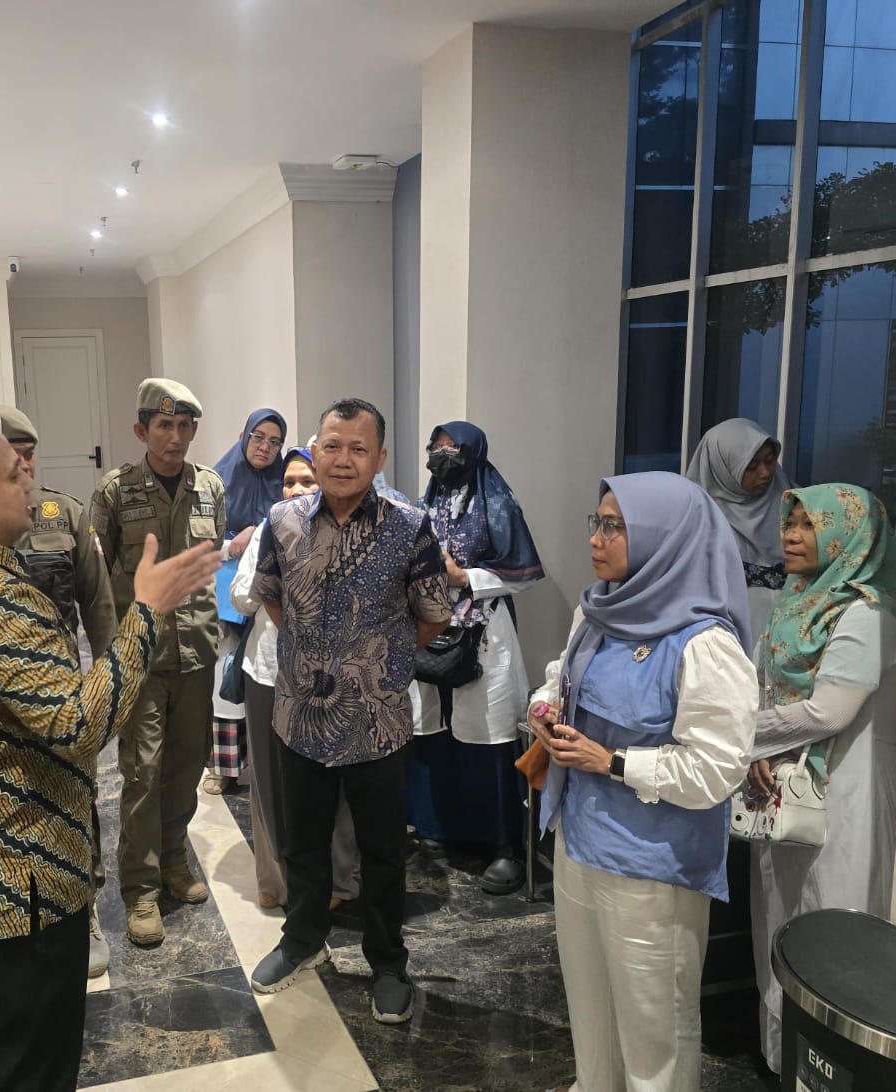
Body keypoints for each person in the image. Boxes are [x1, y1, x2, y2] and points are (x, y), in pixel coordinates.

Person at [0, 411, 218, 1092]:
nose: (31, 481)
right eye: (14, 473)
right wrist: (146, 613)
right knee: (27, 1066)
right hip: (18, 885)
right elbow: (79, 724)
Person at [528, 472, 756, 1092]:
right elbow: (563, 676)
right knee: (590, 1008)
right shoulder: (598, 609)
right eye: (597, 522)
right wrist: (544, 708)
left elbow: (717, 768)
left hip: (652, 866)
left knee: (656, 1029)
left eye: (616, 527)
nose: (596, 539)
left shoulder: (704, 644)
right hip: (580, 840)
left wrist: (613, 761)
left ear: (666, 540)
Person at [248, 397, 453, 1025]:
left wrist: (377, 661)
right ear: (315, 451)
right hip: (298, 717)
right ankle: (302, 940)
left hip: (378, 720)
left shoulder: (409, 527)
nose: (343, 460)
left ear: (379, 457)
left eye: (358, 449)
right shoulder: (282, 519)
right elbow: (272, 599)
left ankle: (389, 963)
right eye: (332, 446)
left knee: (384, 852)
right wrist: (313, 651)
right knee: (302, 842)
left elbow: (432, 615)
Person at [747, 484, 896, 1075]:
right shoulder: (794, 606)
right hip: (786, 785)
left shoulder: (866, 616)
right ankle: (783, 1061)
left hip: (847, 791)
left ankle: (832, 1071)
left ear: (849, 537)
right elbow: (764, 685)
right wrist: (760, 745)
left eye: (809, 525)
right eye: (788, 523)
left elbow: (829, 713)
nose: (790, 535)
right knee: (780, 921)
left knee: (835, 926)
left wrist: (747, 736)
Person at [0, 403, 117, 978]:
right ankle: (8, 909)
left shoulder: (64, 514)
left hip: (57, 689)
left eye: (29, 454)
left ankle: (83, 907)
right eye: (11, 456)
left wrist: (110, 684)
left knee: (73, 797)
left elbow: (99, 605)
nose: (24, 466)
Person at [90, 378, 225, 948]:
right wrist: (109, 658)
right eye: (164, 425)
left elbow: (211, 561)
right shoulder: (115, 491)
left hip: (196, 652)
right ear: (141, 430)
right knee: (143, 772)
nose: (175, 436)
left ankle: (173, 857)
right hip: (140, 657)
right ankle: (140, 889)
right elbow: (96, 580)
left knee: (187, 765)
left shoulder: (210, 487)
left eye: (185, 426)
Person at [407, 421, 544, 894]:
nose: (442, 455)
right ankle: (438, 828)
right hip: (431, 629)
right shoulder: (425, 505)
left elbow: (525, 572)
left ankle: (503, 846)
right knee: (431, 731)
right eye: (436, 447)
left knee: (488, 737)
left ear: (472, 452)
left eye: (452, 447)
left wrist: (465, 578)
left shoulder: (497, 503)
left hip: (484, 633)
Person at [230, 445, 360, 911]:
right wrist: (274, 588)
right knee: (269, 779)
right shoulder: (269, 529)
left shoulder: (344, 532)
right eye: (288, 482)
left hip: (329, 676)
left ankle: (339, 879)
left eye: (307, 480)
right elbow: (240, 594)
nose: (297, 490)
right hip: (268, 671)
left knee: (332, 778)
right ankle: (277, 878)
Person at [207, 407, 288, 796]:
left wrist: (257, 529)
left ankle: (264, 766)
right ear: (244, 437)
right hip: (226, 591)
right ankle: (224, 767)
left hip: (270, 600)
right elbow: (200, 540)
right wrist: (231, 544)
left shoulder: (285, 481)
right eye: (259, 438)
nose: (265, 447)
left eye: (274, 442)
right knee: (224, 679)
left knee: (263, 681)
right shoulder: (216, 481)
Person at [686, 417, 794, 642]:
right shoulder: (696, 522)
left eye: (770, 461)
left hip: (791, 642)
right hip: (724, 642)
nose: (765, 473)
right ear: (721, 468)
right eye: (751, 466)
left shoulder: (798, 508)